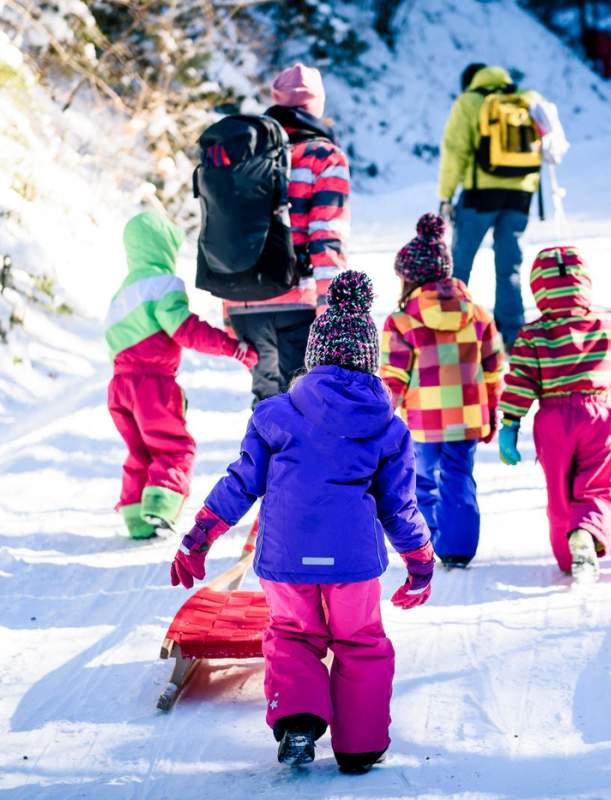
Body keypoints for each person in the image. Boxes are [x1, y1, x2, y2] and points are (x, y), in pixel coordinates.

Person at [170, 270, 434, 774]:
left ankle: (296, 722)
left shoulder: (276, 415)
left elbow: (240, 483)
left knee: (292, 636)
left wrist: (199, 538)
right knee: (361, 644)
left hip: (286, 560)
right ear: (369, 360)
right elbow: (399, 507)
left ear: (311, 359)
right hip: (353, 565)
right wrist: (419, 560)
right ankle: (359, 747)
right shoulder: (389, 428)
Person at [498, 246, 611, 582]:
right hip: (598, 417)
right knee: (598, 482)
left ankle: (569, 558)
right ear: (584, 286)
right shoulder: (605, 324)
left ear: (538, 290)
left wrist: (510, 424)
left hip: (552, 420)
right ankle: (586, 534)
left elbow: (519, 382)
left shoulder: (532, 335)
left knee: (559, 491)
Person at [105, 211, 257, 538]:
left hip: (118, 387)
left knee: (140, 450)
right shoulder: (162, 284)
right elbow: (184, 329)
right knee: (175, 447)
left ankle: (135, 518)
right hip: (153, 383)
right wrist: (231, 347)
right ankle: (161, 505)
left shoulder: (120, 295)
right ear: (163, 248)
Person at [380, 213, 505, 568]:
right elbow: (494, 369)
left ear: (409, 279)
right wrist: (492, 412)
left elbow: (393, 378)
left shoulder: (402, 321)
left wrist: (382, 422)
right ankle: (459, 550)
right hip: (466, 418)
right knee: (459, 478)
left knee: (421, 482)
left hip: (423, 423)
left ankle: (427, 543)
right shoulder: (478, 314)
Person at [224, 63, 351, 403]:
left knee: (267, 413)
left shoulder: (246, 154)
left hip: (244, 303)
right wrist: (332, 308)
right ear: (316, 107)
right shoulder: (323, 157)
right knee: (303, 413)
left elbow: (232, 232)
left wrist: (229, 309)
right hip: (296, 304)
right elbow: (326, 237)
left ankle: (261, 459)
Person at [437, 64, 546, 348]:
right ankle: (513, 335)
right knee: (509, 265)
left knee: (460, 263)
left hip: (480, 194)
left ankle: (448, 329)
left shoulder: (469, 102)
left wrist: (446, 195)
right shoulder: (527, 98)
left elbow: (454, 151)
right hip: (520, 194)